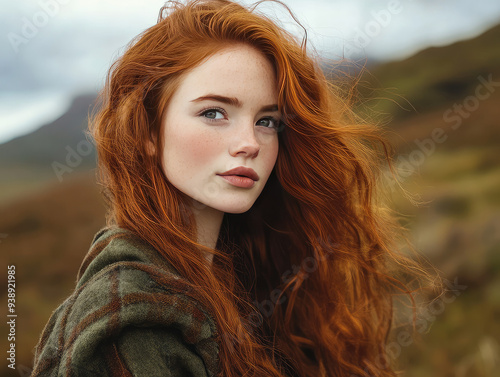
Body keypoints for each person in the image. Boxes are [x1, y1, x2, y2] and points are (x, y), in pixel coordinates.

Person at [31, 0, 427, 376]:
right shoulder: (136, 327)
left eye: (267, 121)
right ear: (149, 131)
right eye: (214, 113)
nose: (250, 143)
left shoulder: (250, 280)